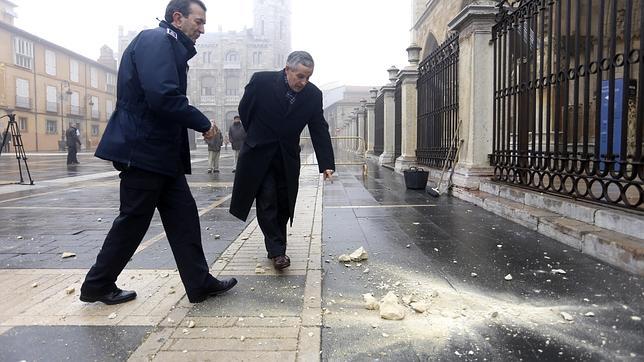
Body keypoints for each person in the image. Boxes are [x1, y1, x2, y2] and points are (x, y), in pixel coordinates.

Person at [80, 0, 237, 305]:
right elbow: (163, 96)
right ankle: (97, 284)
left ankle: (199, 282)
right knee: (134, 220)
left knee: (184, 217)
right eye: (198, 21)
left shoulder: (169, 45)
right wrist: (204, 124)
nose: (202, 29)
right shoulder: (156, 40)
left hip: (160, 154)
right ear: (177, 18)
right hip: (144, 149)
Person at [229, 51, 335, 270]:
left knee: (284, 201)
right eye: (300, 76)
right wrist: (257, 134)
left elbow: (318, 127)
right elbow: (245, 110)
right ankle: (278, 252)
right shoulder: (261, 81)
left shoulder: (313, 95)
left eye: (308, 77)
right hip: (259, 153)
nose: (304, 82)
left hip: (287, 156)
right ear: (287, 69)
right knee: (267, 199)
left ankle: (278, 246)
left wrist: (326, 163)